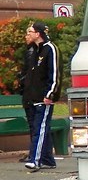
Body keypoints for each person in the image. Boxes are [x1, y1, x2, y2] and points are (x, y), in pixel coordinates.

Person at [22, 21, 61, 171]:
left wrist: (50, 94)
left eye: (31, 32)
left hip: (44, 98)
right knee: (39, 128)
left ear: (38, 34)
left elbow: (55, 74)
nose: (29, 34)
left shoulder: (50, 49)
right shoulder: (35, 50)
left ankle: (35, 159)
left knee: (40, 128)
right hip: (33, 97)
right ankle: (47, 159)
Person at [16, 26, 40, 162]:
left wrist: (22, 80)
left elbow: (30, 73)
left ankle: (35, 153)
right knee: (36, 124)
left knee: (34, 124)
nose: (26, 36)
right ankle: (37, 153)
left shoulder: (32, 51)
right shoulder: (34, 50)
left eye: (28, 33)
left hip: (30, 94)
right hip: (32, 93)